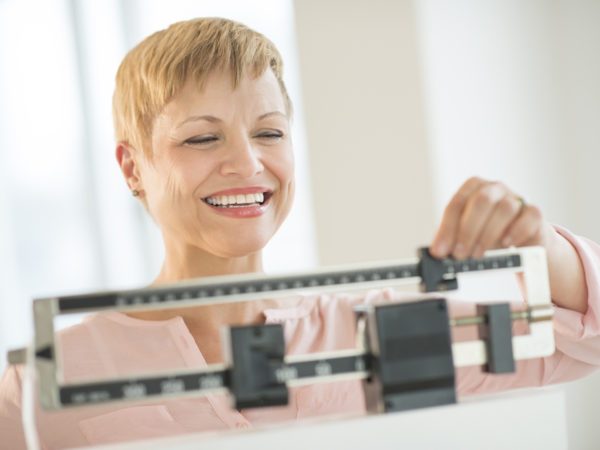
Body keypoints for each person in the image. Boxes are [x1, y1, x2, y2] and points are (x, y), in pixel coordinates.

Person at [1, 17, 599, 449]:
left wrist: (539, 244)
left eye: (268, 132)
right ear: (133, 167)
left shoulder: (379, 332)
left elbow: (585, 344)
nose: (246, 163)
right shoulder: (45, 378)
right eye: (202, 137)